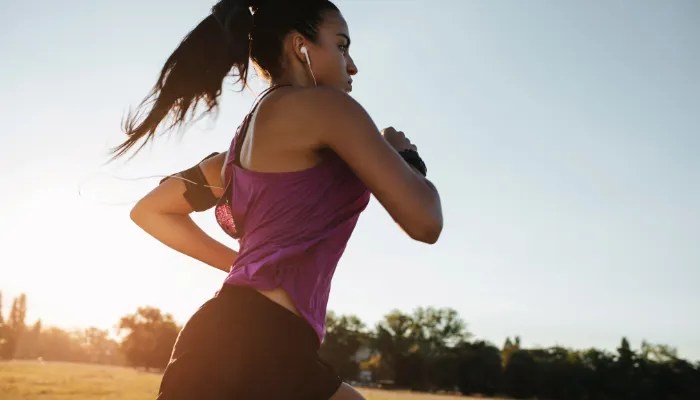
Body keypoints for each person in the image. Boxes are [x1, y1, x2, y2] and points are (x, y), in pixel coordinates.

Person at [112, 0, 443, 398]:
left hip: (218, 340)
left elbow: (150, 211)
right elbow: (425, 221)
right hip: (263, 350)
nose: (352, 65)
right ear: (300, 46)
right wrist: (406, 158)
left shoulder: (232, 158)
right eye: (341, 46)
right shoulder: (329, 108)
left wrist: (242, 266)